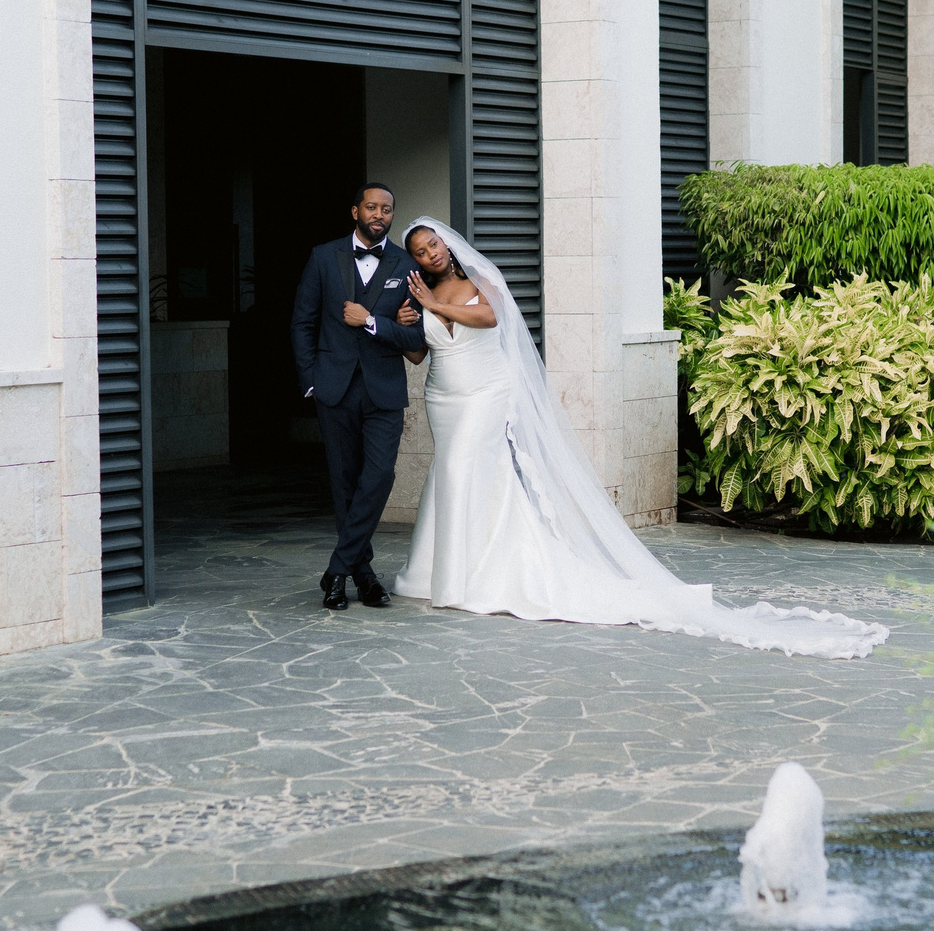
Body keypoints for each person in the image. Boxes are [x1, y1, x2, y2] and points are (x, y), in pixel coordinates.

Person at [391, 217, 887, 659]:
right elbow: (419, 355)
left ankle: (472, 575)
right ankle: (439, 569)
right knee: (452, 473)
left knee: (466, 470)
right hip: (445, 397)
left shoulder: (480, 280)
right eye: (419, 251)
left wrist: (435, 303)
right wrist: (405, 322)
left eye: (433, 244)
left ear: (448, 244)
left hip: (487, 392)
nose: (429, 254)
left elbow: (491, 319)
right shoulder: (416, 293)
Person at [290, 182, 425, 610]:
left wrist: (380, 322)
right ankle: (363, 575)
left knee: (379, 476)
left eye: (387, 209)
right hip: (334, 387)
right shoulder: (323, 256)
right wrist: (311, 379)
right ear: (355, 211)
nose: (379, 214)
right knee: (345, 483)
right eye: (372, 207)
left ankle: (337, 569)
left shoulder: (406, 265)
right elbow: (302, 323)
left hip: (384, 388)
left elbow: (415, 337)